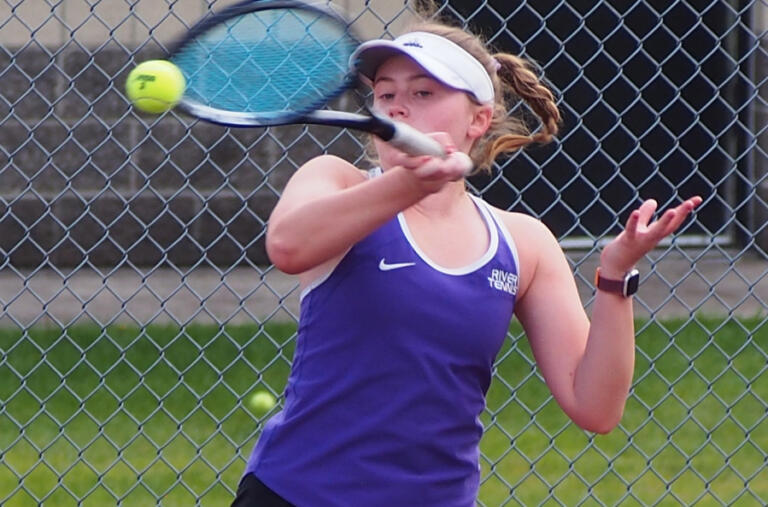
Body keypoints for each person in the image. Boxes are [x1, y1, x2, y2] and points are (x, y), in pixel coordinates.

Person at [231, 11, 702, 507]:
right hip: (297, 494)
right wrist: (410, 182)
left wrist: (615, 276)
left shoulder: (522, 241)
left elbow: (596, 407)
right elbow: (287, 246)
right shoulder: (335, 180)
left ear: (477, 120)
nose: (398, 109)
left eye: (423, 93)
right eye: (386, 94)